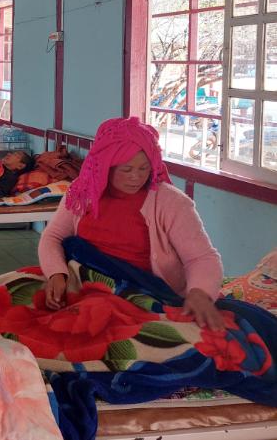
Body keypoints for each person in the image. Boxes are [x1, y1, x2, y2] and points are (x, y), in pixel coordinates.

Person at [38, 116, 225, 331]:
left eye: (144, 168)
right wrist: (56, 274)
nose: (136, 177)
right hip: (81, 282)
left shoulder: (171, 203)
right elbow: (53, 237)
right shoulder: (83, 191)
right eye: (126, 170)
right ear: (106, 166)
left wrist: (200, 292)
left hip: (139, 292)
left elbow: (201, 257)